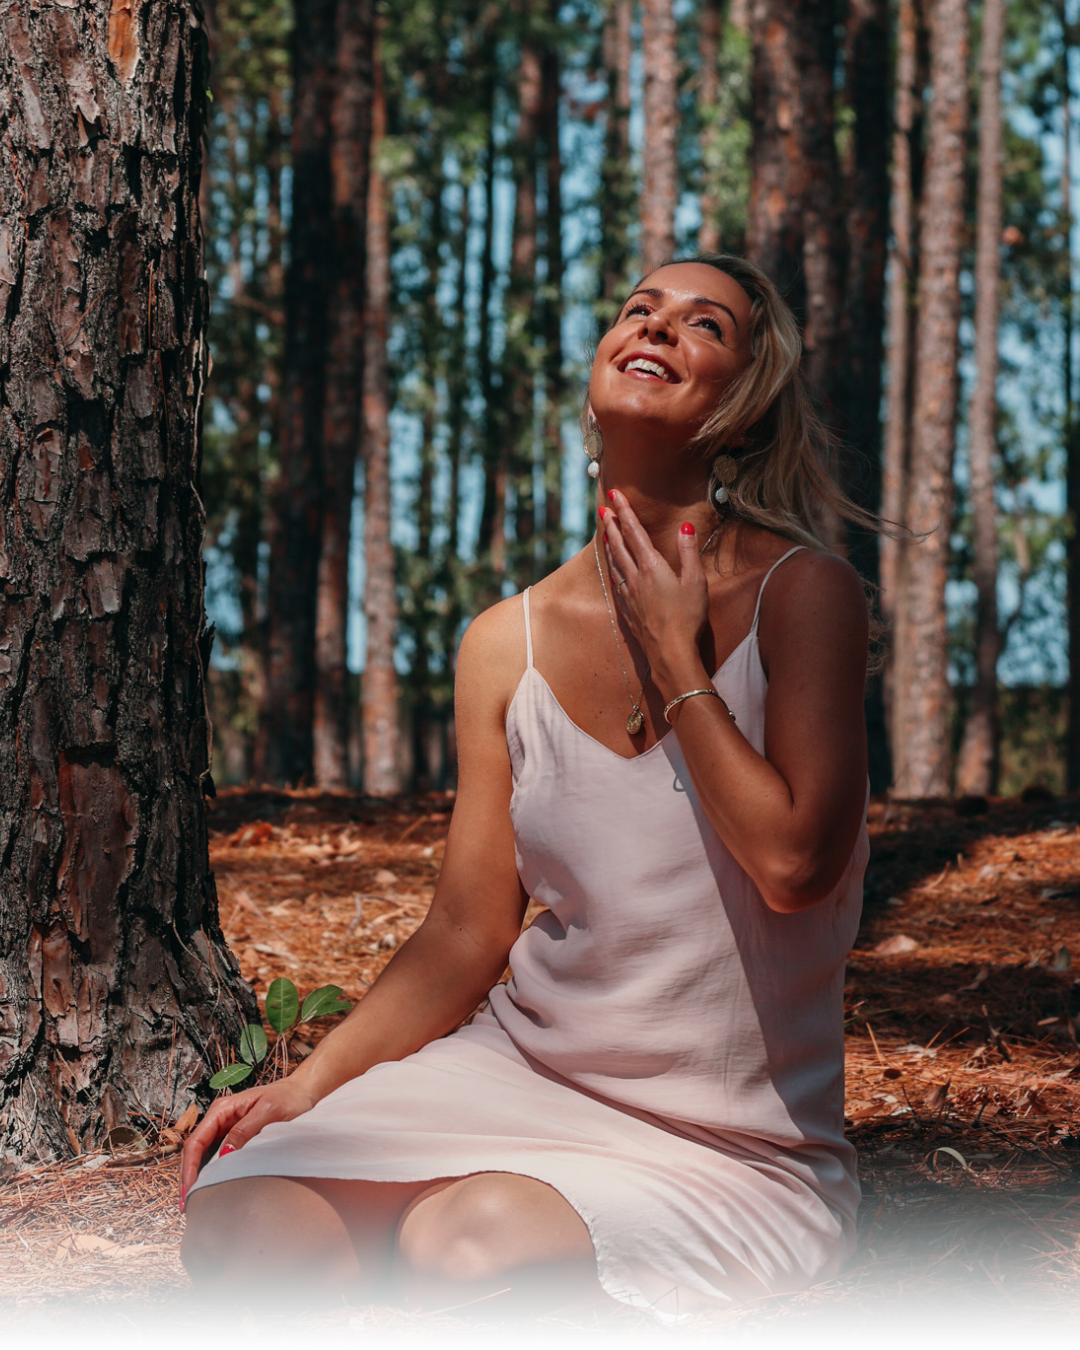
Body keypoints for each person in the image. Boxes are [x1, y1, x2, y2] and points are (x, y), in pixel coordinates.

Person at [180, 254, 872, 1324]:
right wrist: (311, 1083)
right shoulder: (505, 642)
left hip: (728, 1139)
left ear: (742, 408)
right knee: (237, 1237)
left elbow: (796, 865)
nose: (656, 327)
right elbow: (466, 930)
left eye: (706, 325)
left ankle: (466, 1226)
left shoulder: (804, 591)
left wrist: (677, 660)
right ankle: (449, 1216)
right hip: (519, 1073)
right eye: (639, 308)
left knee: (465, 1248)